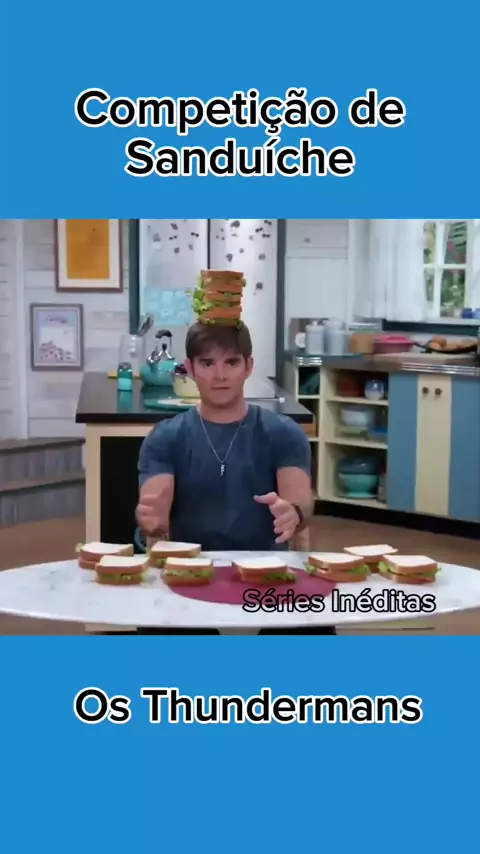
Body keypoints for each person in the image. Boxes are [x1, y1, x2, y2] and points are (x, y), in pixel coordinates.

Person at [135, 321, 336, 636]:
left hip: (269, 572)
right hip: (191, 571)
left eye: (231, 362)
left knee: (314, 632)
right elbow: (155, 505)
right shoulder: (166, 437)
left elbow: (299, 501)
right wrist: (153, 521)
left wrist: (294, 514)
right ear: (189, 368)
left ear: (248, 366)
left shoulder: (283, 433)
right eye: (207, 363)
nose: (220, 375)